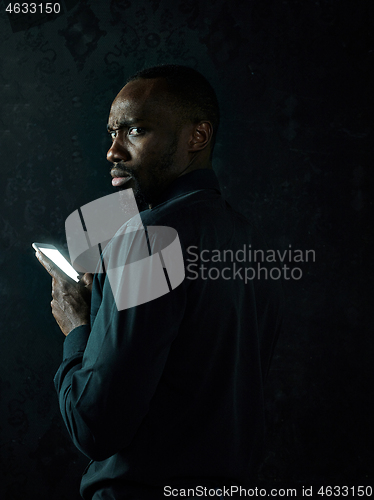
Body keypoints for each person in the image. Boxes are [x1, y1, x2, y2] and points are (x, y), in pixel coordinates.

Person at [36, 65, 284, 500]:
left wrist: (77, 325)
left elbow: (94, 428)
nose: (113, 151)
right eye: (112, 132)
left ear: (197, 137)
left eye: (136, 131)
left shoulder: (149, 238)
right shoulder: (250, 239)